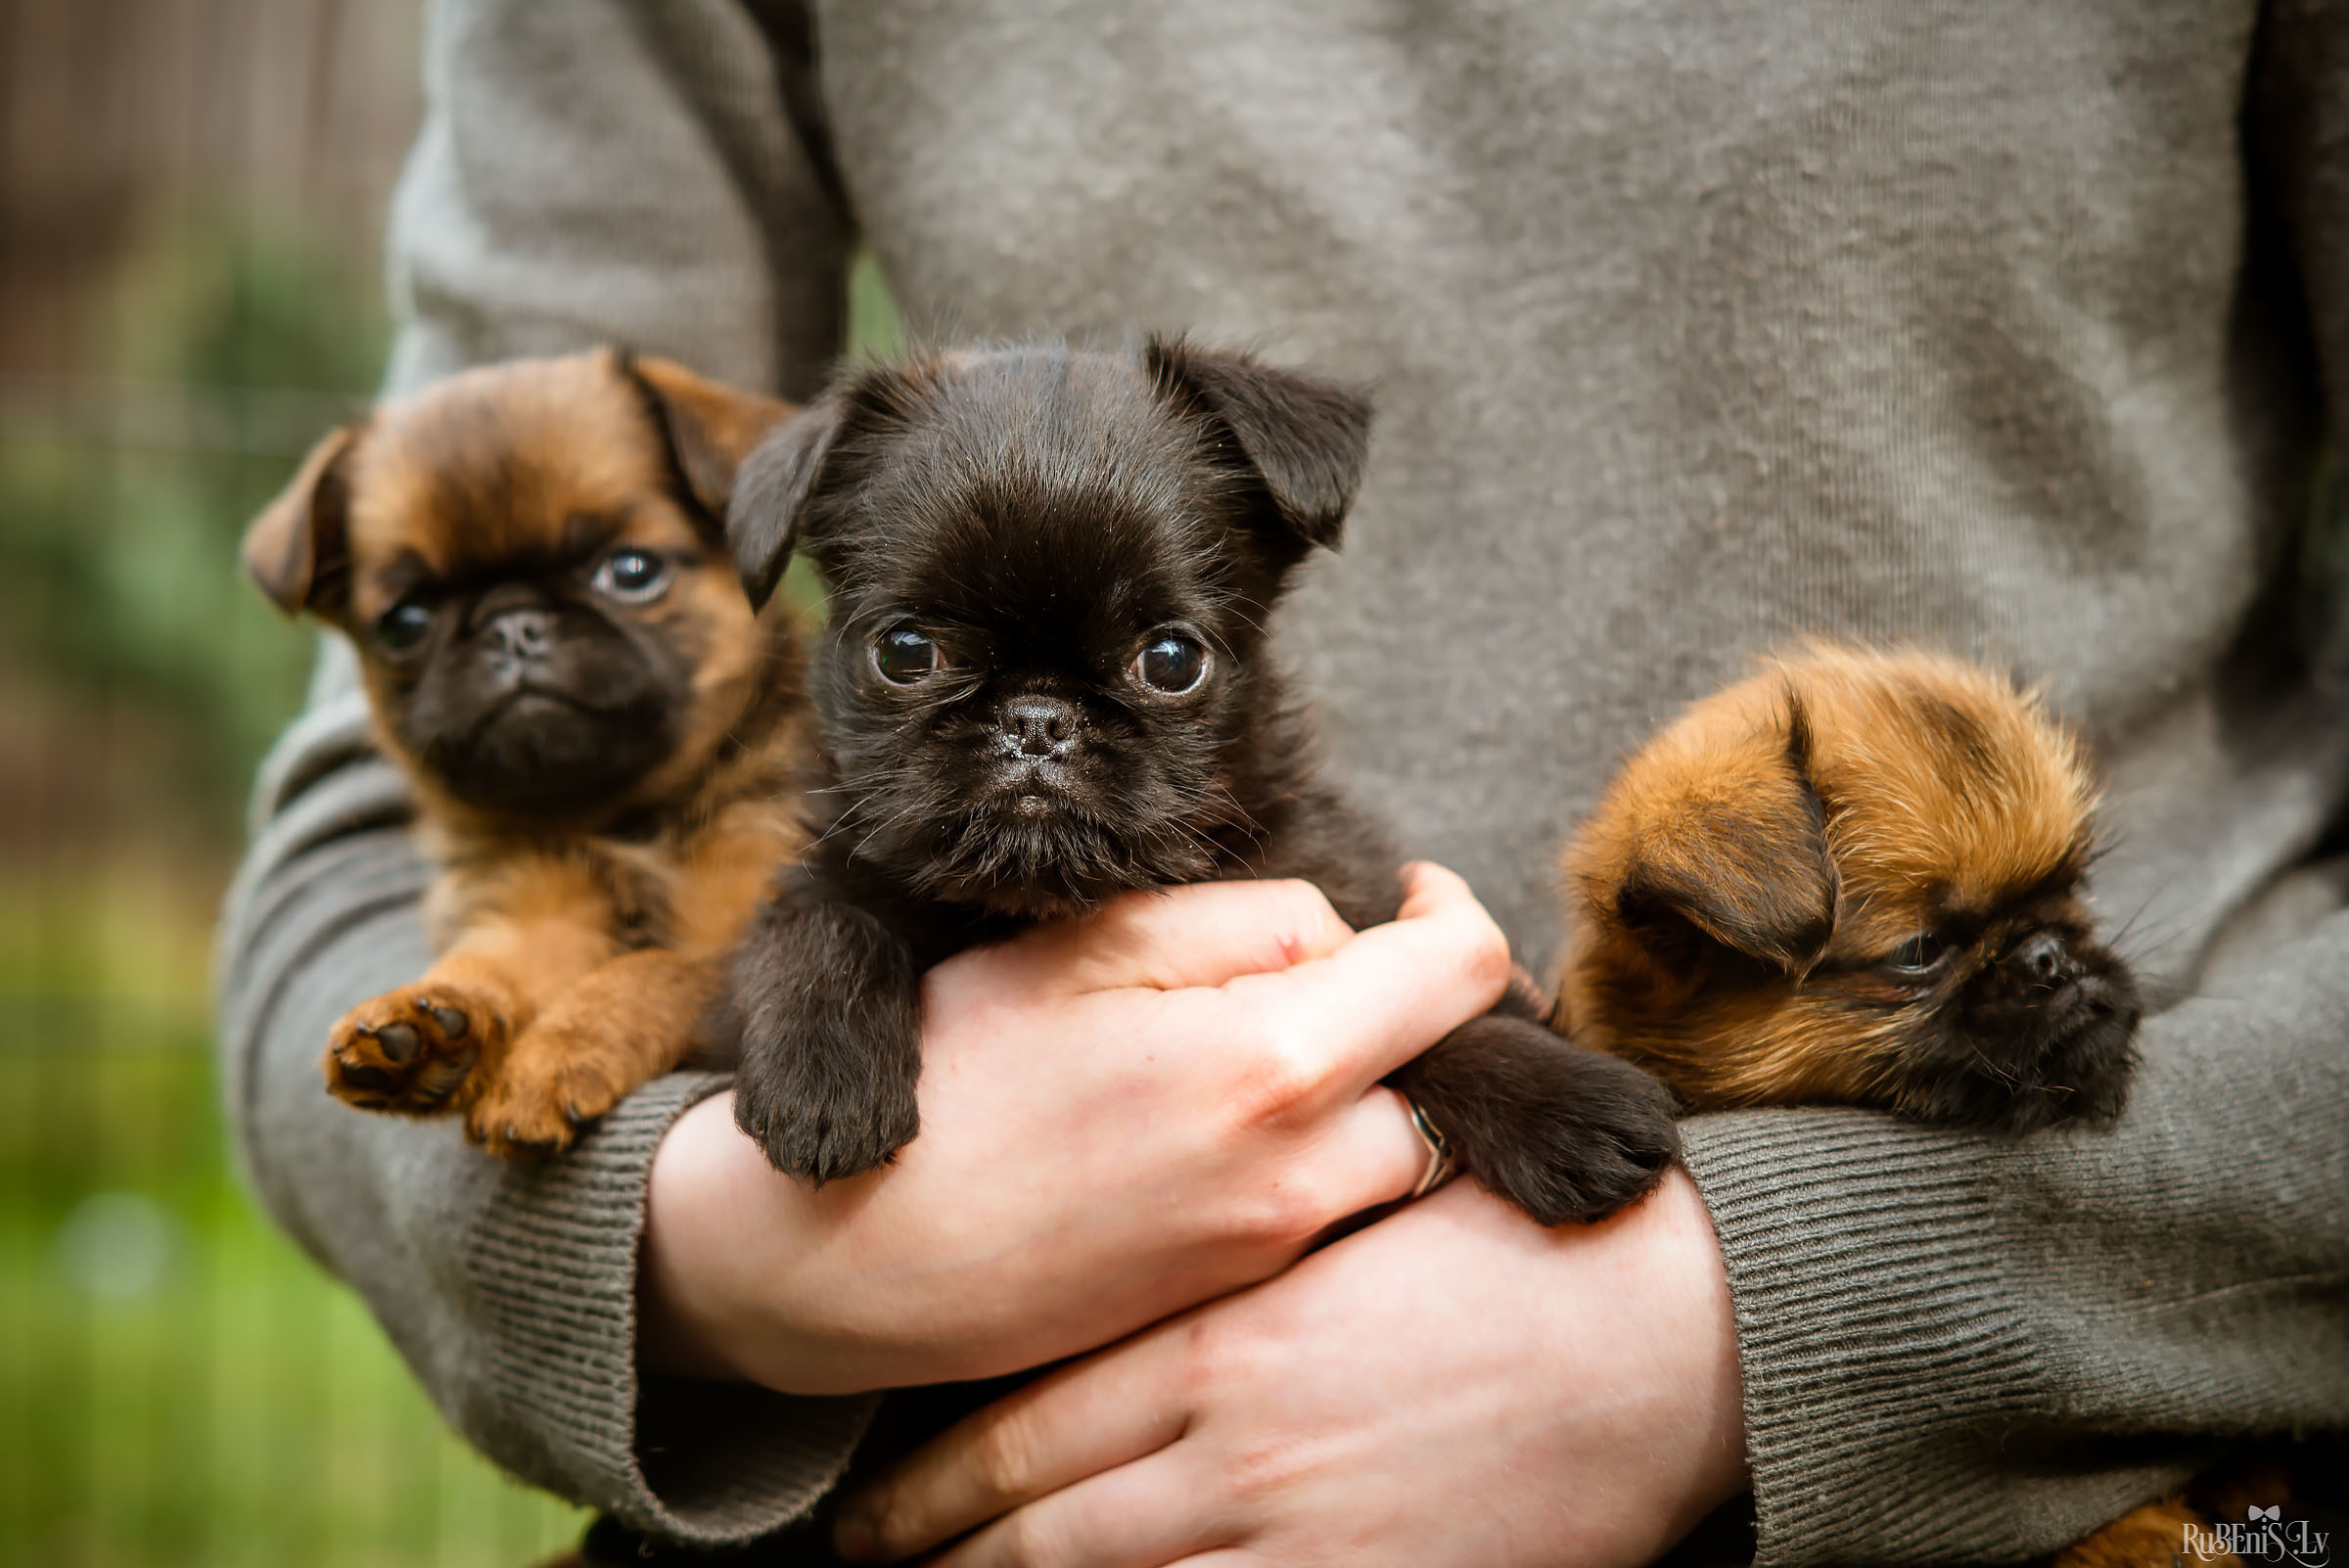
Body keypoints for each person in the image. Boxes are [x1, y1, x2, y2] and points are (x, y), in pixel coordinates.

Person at [215, 1, 2349, 1563]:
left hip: (2097, 1418)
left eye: (1152, 664)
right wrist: (700, 1251)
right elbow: (384, 826)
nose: (1041, 734)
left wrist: (1766, 1314)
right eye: (913, 662)